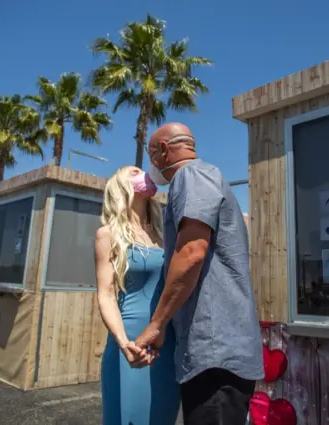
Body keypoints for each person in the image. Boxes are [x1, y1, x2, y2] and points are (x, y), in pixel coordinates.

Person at [133, 123, 264, 425]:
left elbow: (191, 253)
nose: (151, 164)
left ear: (163, 151)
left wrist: (157, 324)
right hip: (217, 353)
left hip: (215, 354)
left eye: (151, 154)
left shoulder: (191, 176)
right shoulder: (205, 177)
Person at [95, 166, 180, 425]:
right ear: (121, 185)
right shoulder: (107, 234)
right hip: (131, 342)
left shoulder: (164, 233)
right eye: (135, 171)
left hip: (167, 341)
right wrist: (124, 344)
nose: (145, 173)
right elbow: (106, 295)